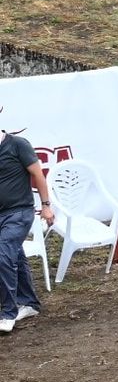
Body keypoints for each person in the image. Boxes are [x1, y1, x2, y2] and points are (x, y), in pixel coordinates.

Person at [0, 123, 52, 336]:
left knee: (3, 255)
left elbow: (38, 175)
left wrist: (46, 206)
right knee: (15, 256)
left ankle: (7, 313)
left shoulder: (17, 145)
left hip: (18, 213)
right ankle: (28, 303)